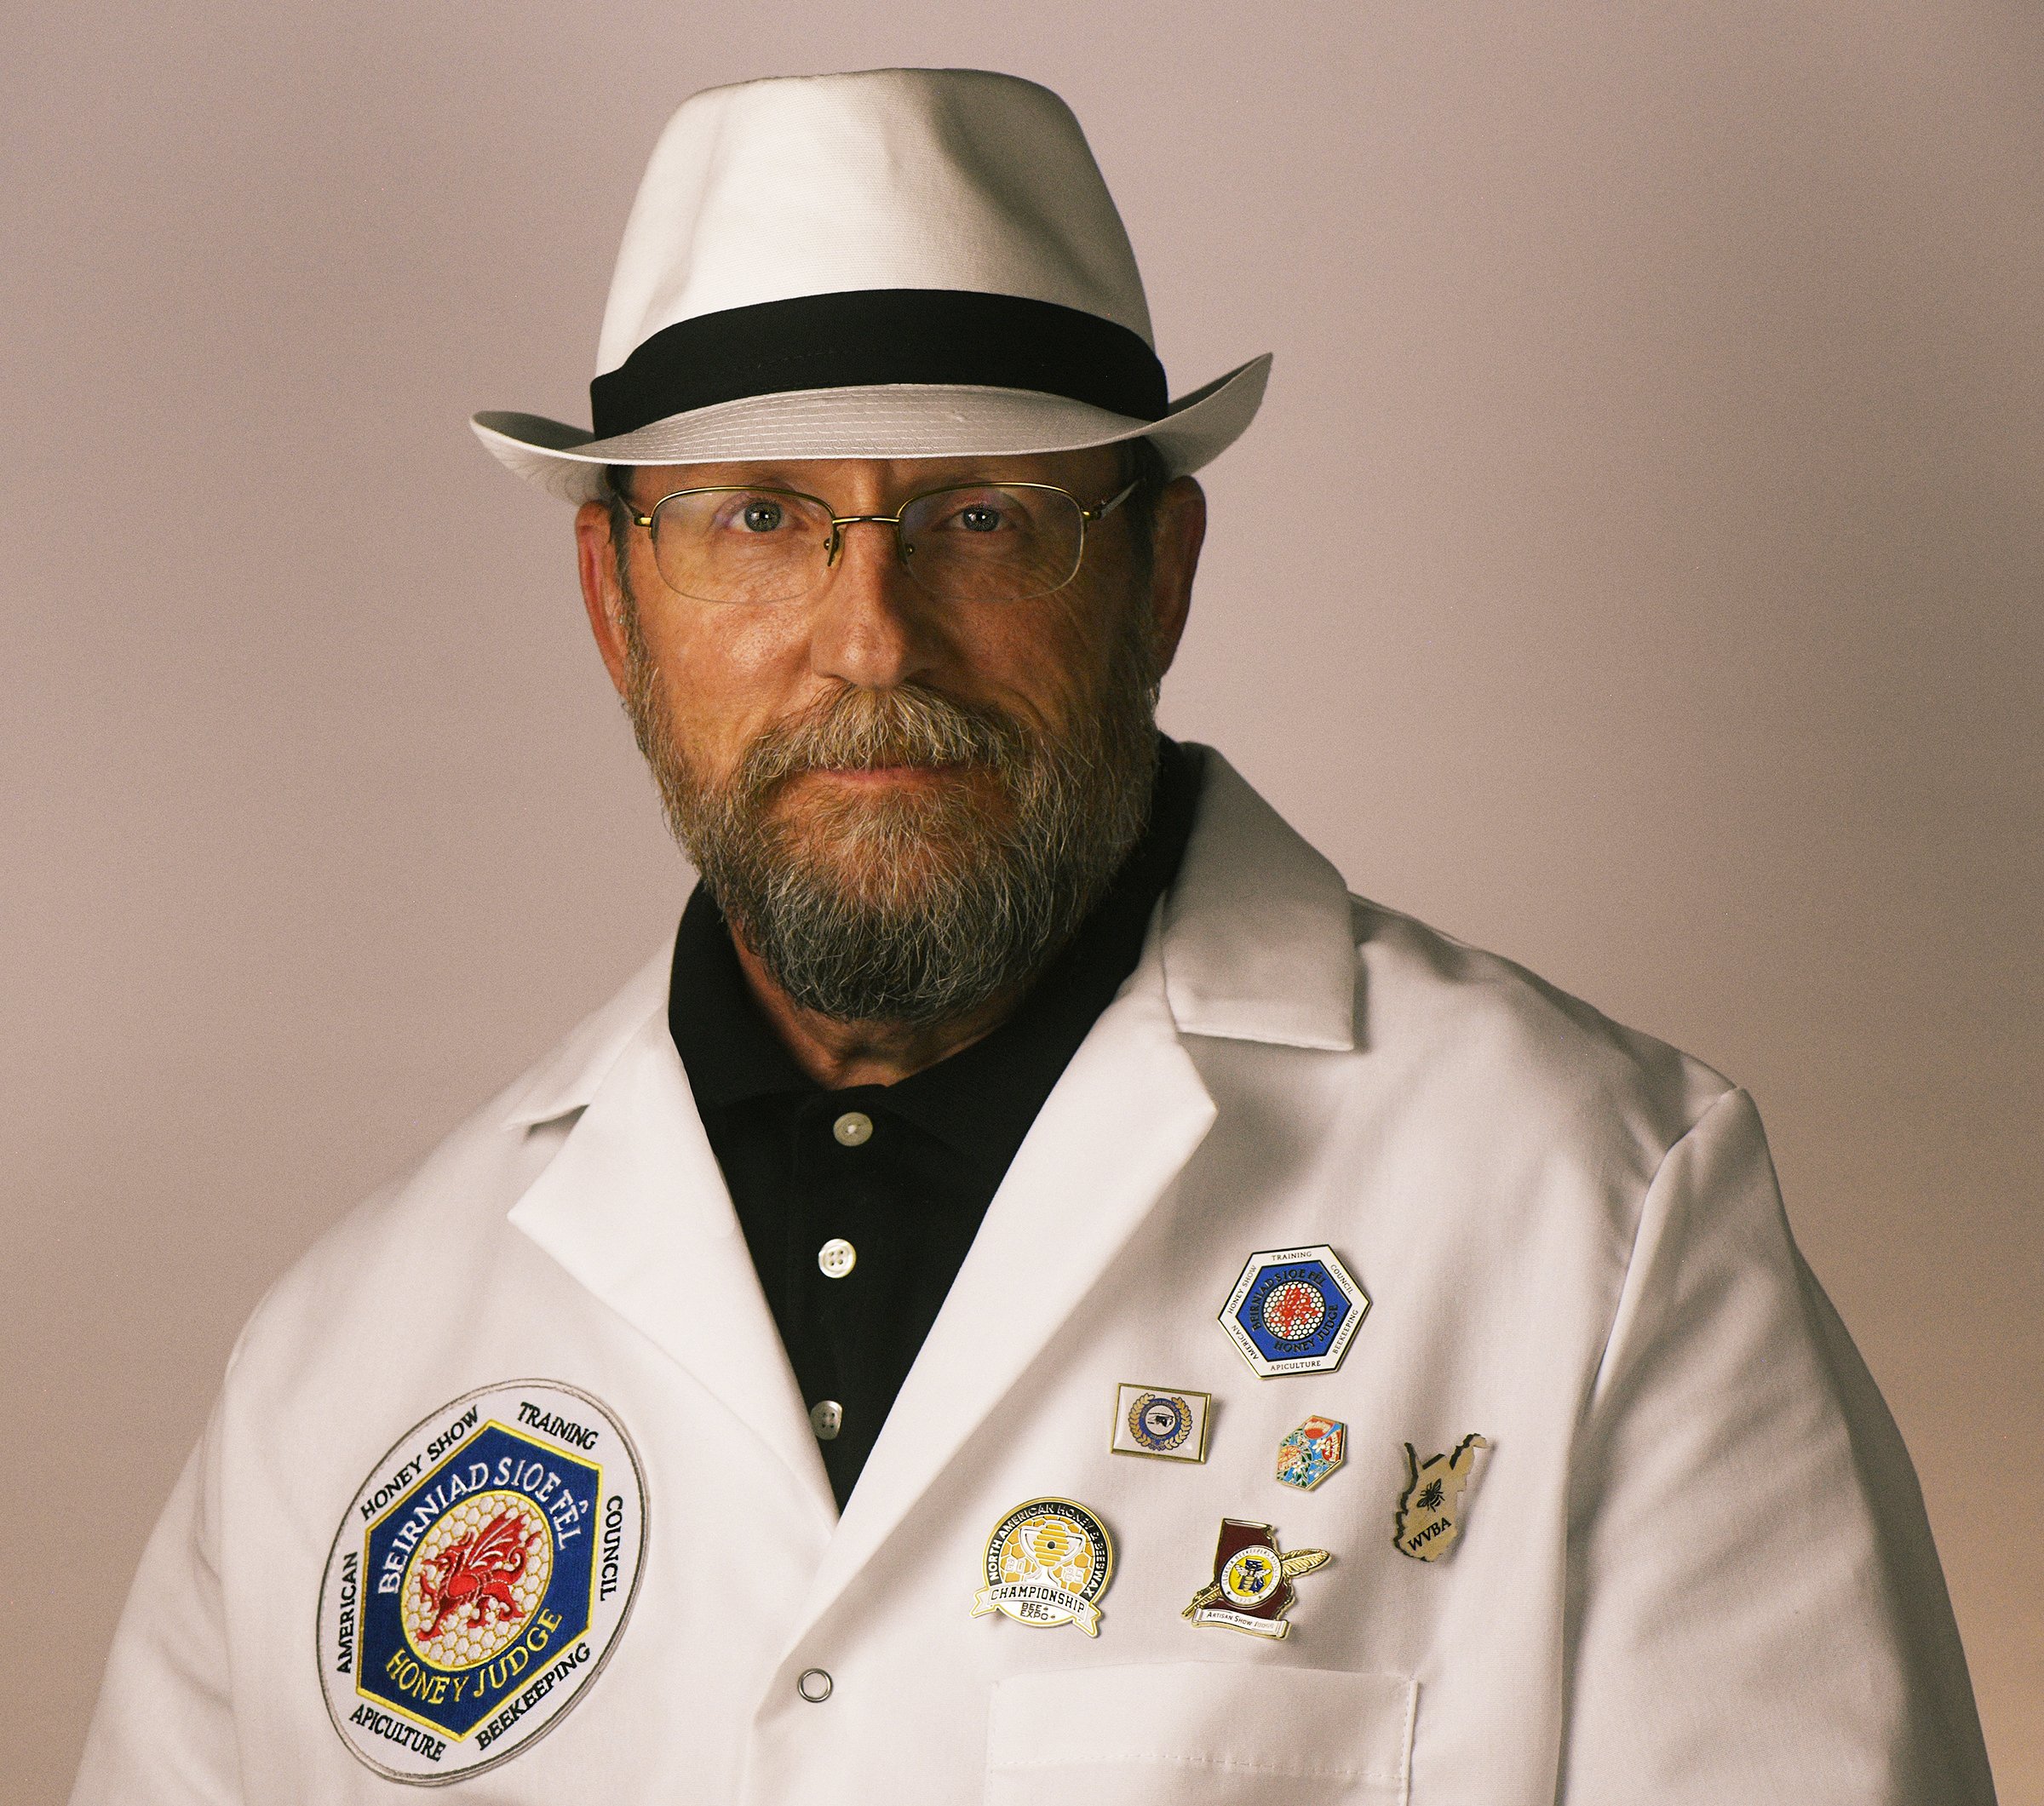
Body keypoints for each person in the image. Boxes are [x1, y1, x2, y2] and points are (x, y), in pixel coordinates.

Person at [71, 66, 1996, 1806]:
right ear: (614, 593)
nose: (872, 639)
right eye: (758, 517)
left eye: (983, 517)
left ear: (1158, 573)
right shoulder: (341, 1369)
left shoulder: (1601, 1220)